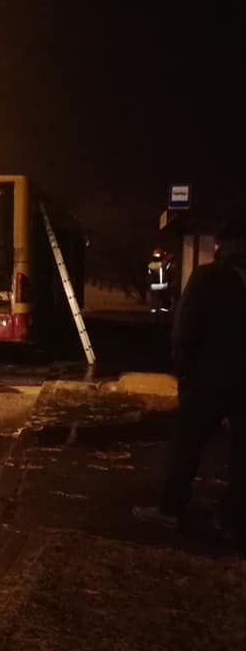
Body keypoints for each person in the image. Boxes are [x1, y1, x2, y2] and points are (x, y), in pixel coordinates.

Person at [134, 218, 246, 538]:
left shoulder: (209, 277)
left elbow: (186, 327)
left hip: (208, 377)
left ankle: (170, 510)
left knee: (186, 445)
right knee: (242, 453)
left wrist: (182, 369)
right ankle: (233, 518)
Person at [147, 248, 173, 314]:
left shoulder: (151, 264)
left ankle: (154, 310)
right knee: (164, 298)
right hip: (163, 285)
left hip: (153, 285)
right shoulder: (163, 264)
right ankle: (164, 310)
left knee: (154, 300)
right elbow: (168, 266)